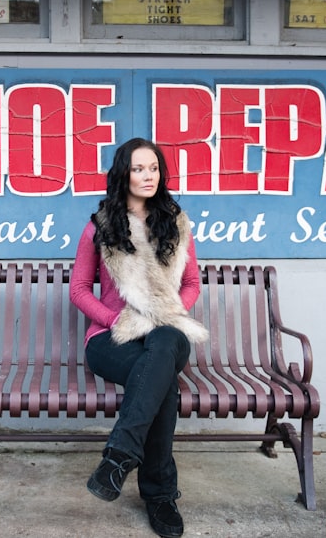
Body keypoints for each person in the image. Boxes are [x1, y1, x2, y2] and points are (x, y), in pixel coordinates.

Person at [69, 137, 207, 538]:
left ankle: (119, 457)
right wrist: (118, 320)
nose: (147, 176)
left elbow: (192, 282)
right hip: (113, 338)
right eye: (138, 168)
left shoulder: (176, 222)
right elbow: (78, 290)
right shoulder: (100, 226)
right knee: (160, 383)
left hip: (166, 330)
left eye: (153, 168)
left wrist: (165, 314)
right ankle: (160, 494)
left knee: (164, 346)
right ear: (123, 174)